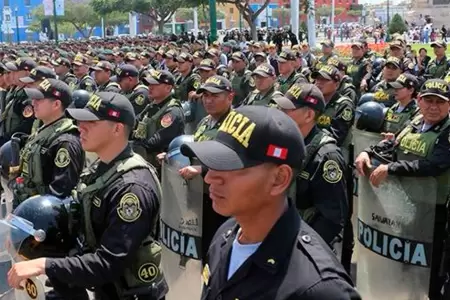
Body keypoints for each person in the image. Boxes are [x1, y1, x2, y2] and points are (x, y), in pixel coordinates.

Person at [181, 105, 360, 300]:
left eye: (230, 166)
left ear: (279, 179)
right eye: (213, 164)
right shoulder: (225, 236)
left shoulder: (319, 289)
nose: (209, 178)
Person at [7, 91, 167, 300]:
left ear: (117, 128)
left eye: (90, 122)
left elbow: (109, 263)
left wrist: (43, 265)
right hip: (107, 290)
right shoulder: (104, 168)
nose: (80, 127)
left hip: (130, 295)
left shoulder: (132, 188)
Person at [355, 79, 450, 299]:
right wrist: (368, 151)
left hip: (434, 212)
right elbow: (393, 144)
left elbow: (434, 165)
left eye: (440, 102)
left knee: (429, 268)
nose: (433, 106)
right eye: (428, 100)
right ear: (419, 101)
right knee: (404, 262)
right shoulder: (416, 120)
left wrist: (391, 168)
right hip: (405, 205)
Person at [273, 83, 348, 247]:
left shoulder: (326, 157)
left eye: (287, 110)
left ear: (308, 115)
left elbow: (332, 219)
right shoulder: (285, 142)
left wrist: (301, 248)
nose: (280, 113)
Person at [11, 79, 84, 204]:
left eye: (39, 99)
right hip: (27, 206)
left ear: (56, 104)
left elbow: (59, 194)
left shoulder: (66, 142)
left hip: (41, 214)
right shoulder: (45, 130)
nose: (33, 103)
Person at [133, 70, 184, 166]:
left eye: (155, 85)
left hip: (160, 165)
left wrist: (134, 145)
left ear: (168, 88)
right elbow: (136, 121)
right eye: (149, 84)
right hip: (144, 158)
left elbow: (157, 140)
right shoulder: (153, 105)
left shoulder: (172, 111)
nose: (150, 87)